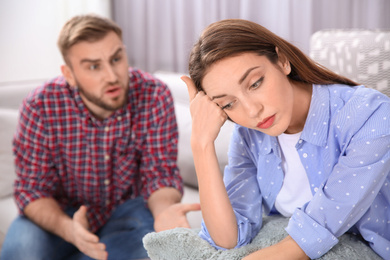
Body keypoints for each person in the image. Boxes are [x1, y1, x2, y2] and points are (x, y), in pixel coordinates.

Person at [181, 19, 390, 260]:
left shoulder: (371, 115)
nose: (251, 111)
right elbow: (228, 238)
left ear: (282, 61)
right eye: (228, 104)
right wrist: (201, 143)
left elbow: (315, 231)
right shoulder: (248, 136)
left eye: (255, 83)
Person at [1, 14, 200, 260]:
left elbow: (159, 174)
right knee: (23, 251)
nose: (112, 76)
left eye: (116, 58)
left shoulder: (154, 94)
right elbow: (32, 188)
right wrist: (69, 230)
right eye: (94, 66)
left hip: (128, 210)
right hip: (60, 212)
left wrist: (165, 215)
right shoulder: (39, 106)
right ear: (69, 74)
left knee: (155, 251)